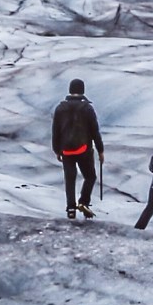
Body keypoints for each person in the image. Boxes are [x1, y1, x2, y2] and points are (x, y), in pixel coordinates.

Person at [51, 78, 104, 219]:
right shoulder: (87, 108)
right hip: (83, 149)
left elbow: (56, 131)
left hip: (66, 150)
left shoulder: (60, 108)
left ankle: (70, 209)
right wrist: (100, 150)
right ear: (82, 90)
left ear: (70, 90)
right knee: (90, 176)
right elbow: (95, 131)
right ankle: (84, 202)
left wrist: (57, 150)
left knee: (70, 179)